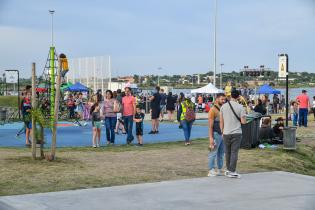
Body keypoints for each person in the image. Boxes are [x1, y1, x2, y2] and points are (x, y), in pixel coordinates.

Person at [220, 88, 246, 178]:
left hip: (226, 132)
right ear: (238, 97)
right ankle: (232, 171)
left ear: (230, 96)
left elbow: (221, 121)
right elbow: (243, 122)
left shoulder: (223, 106)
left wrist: (222, 131)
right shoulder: (240, 107)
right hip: (236, 132)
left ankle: (228, 169)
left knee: (227, 152)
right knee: (234, 152)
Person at [208, 93, 226, 177]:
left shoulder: (224, 108)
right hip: (216, 134)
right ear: (217, 99)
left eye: (224, 99)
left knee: (221, 153)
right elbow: (210, 125)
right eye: (222, 99)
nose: (223, 101)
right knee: (213, 152)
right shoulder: (212, 110)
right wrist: (211, 138)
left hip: (223, 134)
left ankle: (219, 169)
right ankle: (211, 170)